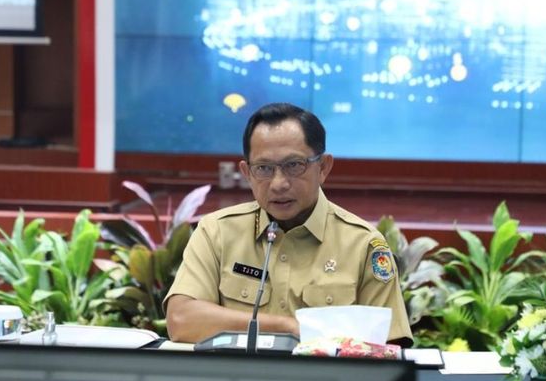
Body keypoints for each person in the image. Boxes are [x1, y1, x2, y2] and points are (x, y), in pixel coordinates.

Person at [165, 102, 412, 347]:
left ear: (323, 167)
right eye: (264, 168)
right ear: (247, 173)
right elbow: (181, 319)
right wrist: (289, 328)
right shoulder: (217, 232)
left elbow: (390, 348)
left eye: (294, 165)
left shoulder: (363, 245)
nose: (278, 184)